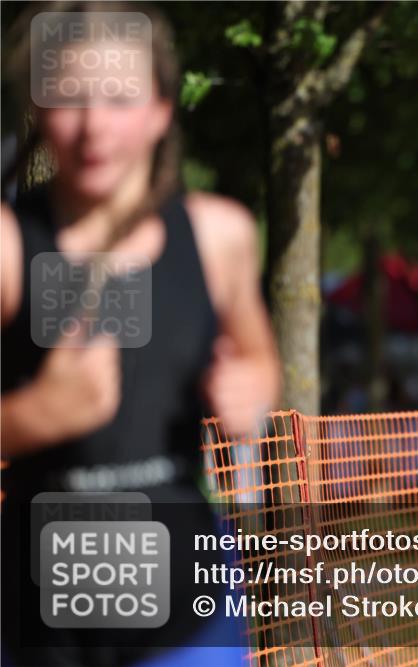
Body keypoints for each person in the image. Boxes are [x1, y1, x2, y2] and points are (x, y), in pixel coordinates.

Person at [1, 3, 280, 666]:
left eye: (119, 98)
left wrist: (255, 388)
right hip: (38, 617)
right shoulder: (9, 247)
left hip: (188, 612)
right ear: (39, 107)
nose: (94, 126)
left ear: (160, 109)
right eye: (69, 98)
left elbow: (258, 356)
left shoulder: (219, 236)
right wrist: (34, 416)